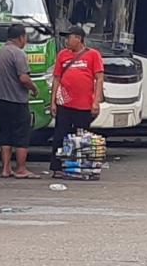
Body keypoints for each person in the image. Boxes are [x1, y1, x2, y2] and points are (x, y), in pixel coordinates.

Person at [50, 25, 104, 178]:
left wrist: (96, 101)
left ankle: (81, 167)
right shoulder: (62, 55)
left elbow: (99, 79)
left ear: (78, 39)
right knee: (60, 136)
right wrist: (53, 101)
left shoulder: (93, 55)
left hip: (84, 105)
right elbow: (56, 79)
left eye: (69, 37)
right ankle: (57, 167)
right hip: (64, 103)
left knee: (82, 138)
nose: (67, 41)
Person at [0, 24, 40, 179]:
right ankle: (21, 169)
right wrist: (34, 88)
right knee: (21, 134)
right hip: (16, 100)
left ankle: (6, 169)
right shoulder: (18, 53)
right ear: (21, 37)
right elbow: (23, 78)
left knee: (5, 134)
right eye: (25, 37)